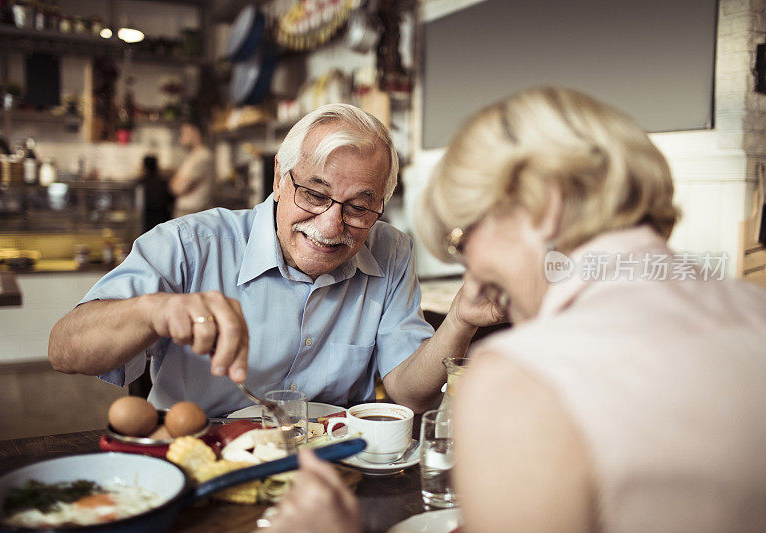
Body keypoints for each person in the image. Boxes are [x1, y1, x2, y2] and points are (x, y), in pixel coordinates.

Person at [264, 87, 766, 532]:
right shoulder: (754, 308)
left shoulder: (523, 379)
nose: (475, 272)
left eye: (464, 239)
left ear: (543, 205)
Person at [48, 103, 502, 416]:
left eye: (359, 207)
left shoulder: (391, 249)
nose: (329, 226)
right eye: (314, 194)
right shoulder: (191, 243)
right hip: (201, 464)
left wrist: (460, 319)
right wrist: (155, 310)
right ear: (279, 181)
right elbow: (65, 351)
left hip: (331, 474)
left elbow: (408, 392)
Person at [169, 119, 214, 218]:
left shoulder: (202, 156)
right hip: (187, 212)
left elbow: (178, 188)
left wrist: (176, 181)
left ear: (195, 133)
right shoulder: (193, 156)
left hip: (193, 213)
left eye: (184, 133)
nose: (181, 136)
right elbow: (175, 185)